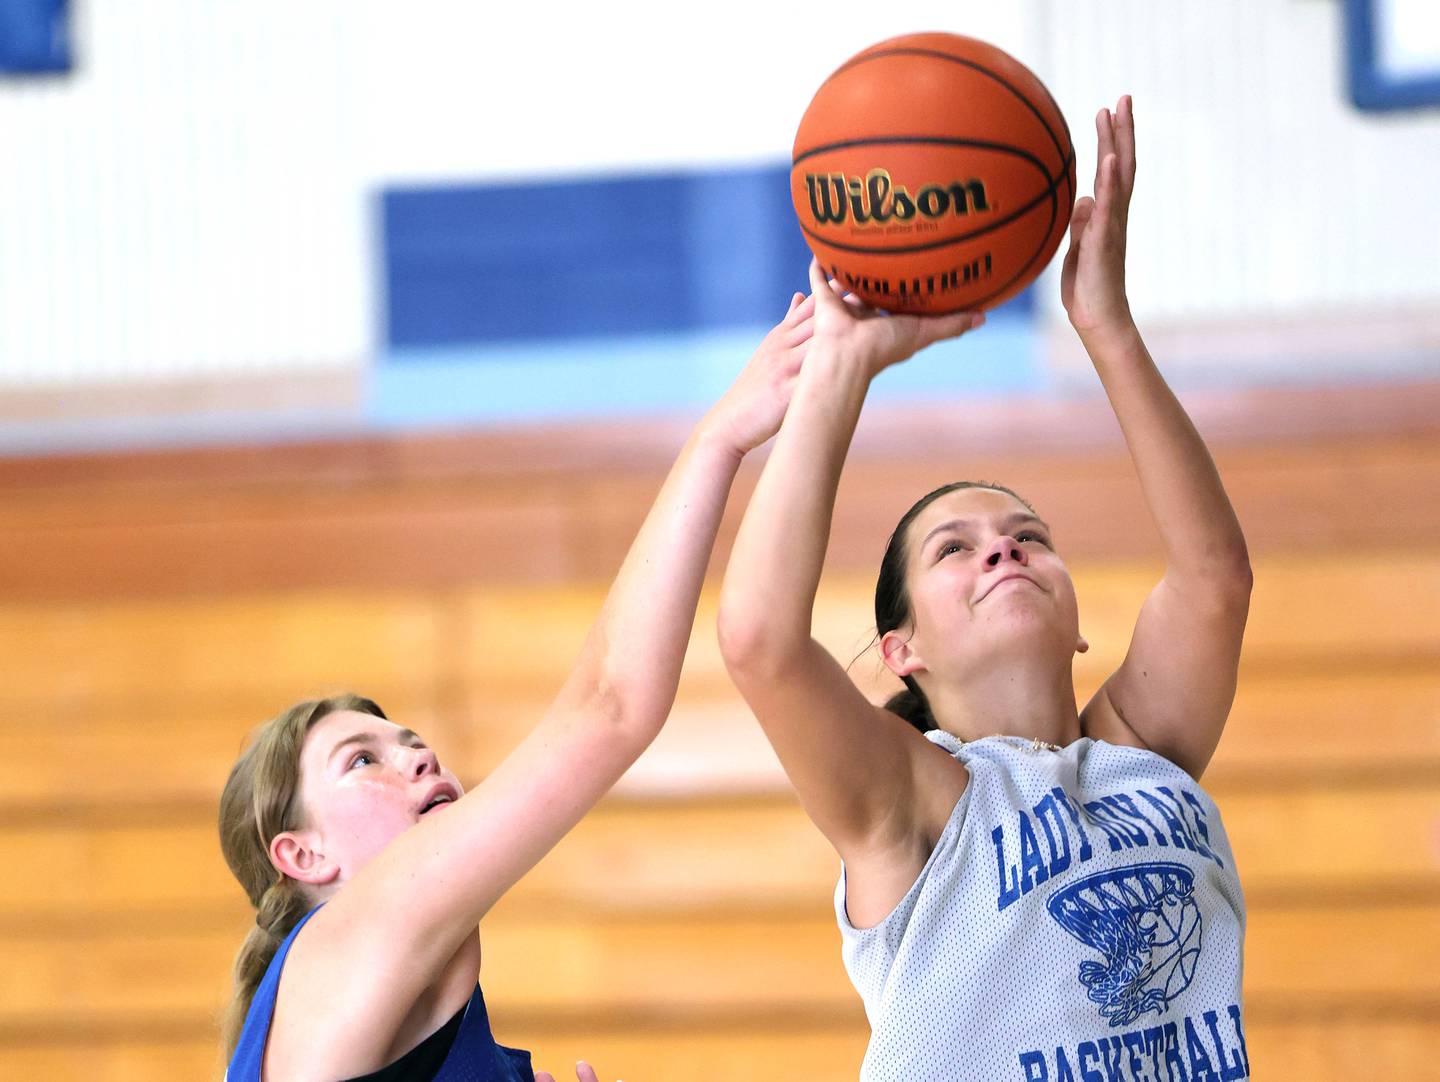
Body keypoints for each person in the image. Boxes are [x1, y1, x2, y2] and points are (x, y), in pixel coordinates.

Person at [717, 97, 1254, 1080]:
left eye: (1028, 536)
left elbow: (1215, 575)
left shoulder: (1146, 756)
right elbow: (758, 637)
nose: (1002, 551)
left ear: (1080, 623)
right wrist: (840, 368)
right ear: (901, 649)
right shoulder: (911, 797)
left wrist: (1108, 330)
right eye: (953, 549)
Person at [216, 292, 817, 1082]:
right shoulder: (339, 943)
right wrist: (722, 436)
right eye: (363, 761)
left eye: (407, 742)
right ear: (303, 855)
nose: (418, 756)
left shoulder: (419, 1020)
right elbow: (610, 703)